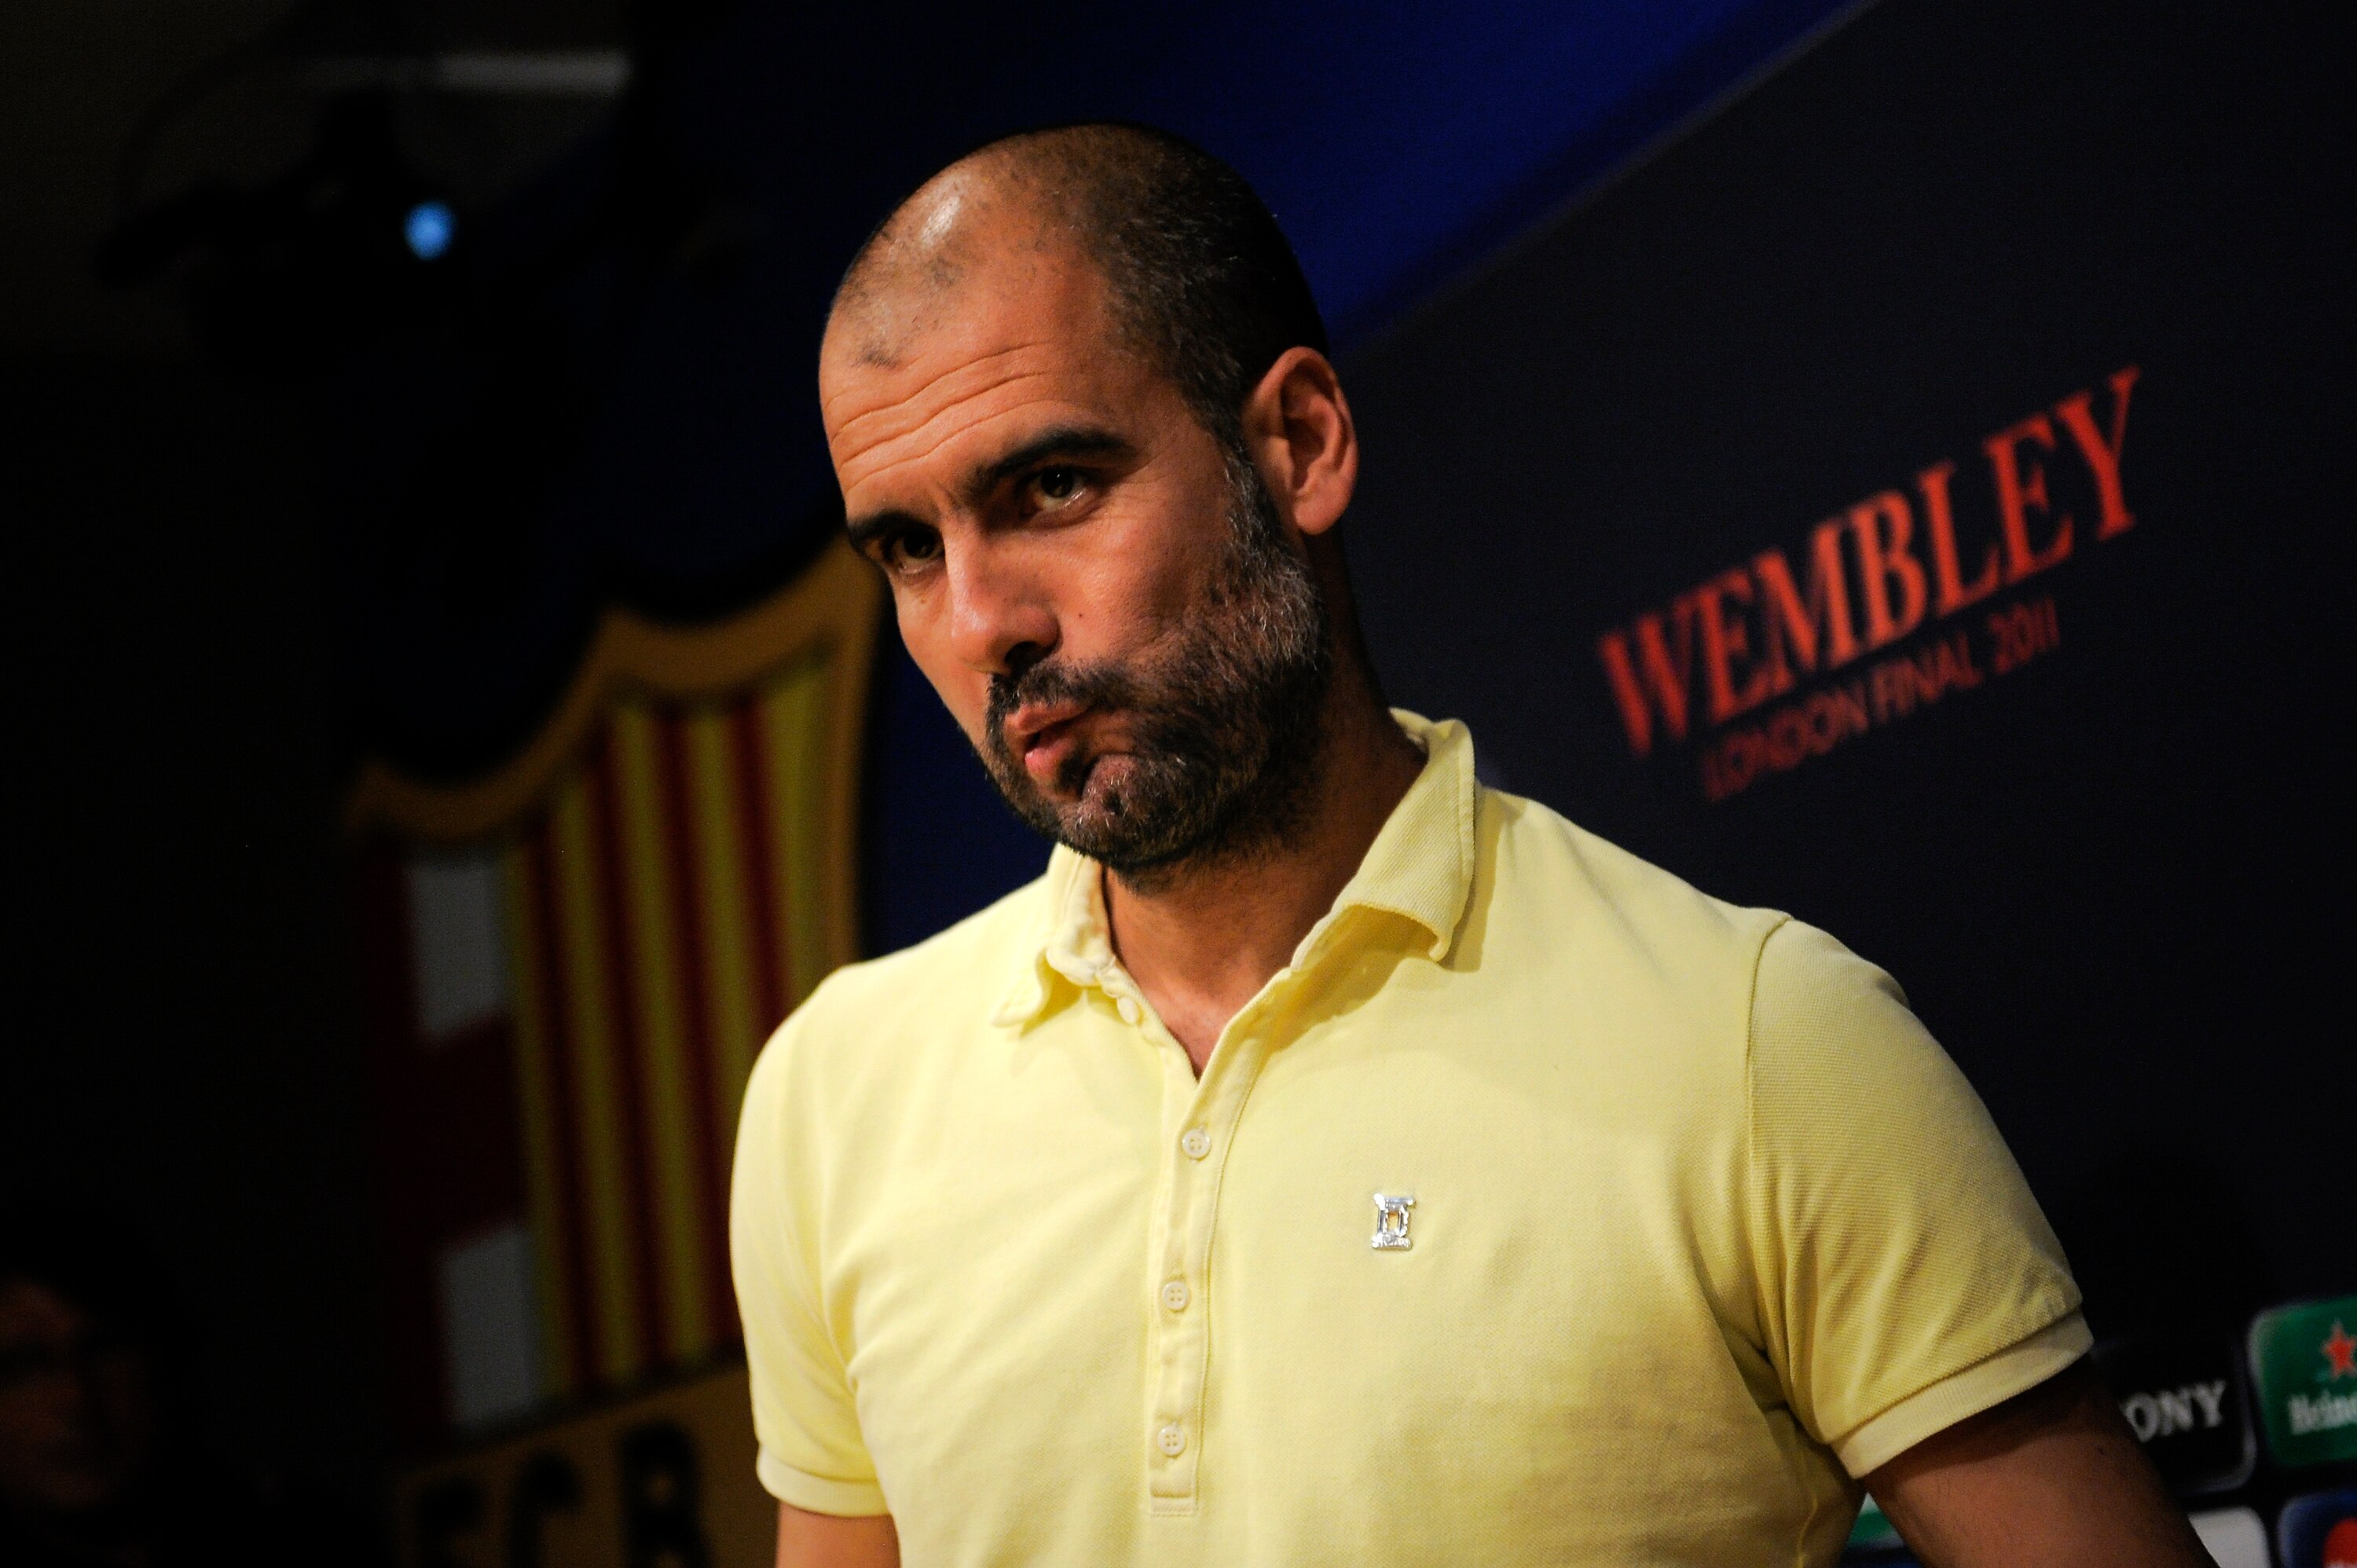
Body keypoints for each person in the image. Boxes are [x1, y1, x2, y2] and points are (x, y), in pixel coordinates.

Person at [730, 123, 2209, 1567]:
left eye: (1049, 487)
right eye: (910, 551)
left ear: (1299, 446)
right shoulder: (831, 1098)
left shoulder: (1761, 1041)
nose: (983, 621)